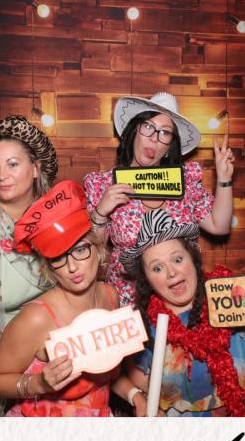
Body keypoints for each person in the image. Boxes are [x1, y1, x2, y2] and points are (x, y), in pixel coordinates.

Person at [0, 181, 140, 417]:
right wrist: (38, 384)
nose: (72, 267)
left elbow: (103, 373)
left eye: (80, 250)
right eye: (58, 257)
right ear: (49, 266)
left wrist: (135, 396)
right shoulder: (37, 318)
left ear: (98, 249)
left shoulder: (110, 297)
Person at [84, 92, 234, 306]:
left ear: (169, 146)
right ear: (134, 131)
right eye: (148, 127)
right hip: (129, 301)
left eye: (165, 132)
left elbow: (219, 226)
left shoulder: (184, 182)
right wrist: (100, 212)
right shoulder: (105, 184)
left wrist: (224, 179)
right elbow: (94, 250)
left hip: (178, 296)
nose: (154, 138)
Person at [122, 210, 245, 417]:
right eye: (157, 268)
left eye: (177, 259)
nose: (172, 272)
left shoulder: (231, 298)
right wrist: (141, 401)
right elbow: (136, 385)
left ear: (192, 257)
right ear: (146, 278)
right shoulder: (143, 328)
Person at [0, 115, 58, 415]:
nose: (1, 175)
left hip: (50, 355)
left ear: (35, 168)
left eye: (12, 164)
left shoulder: (57, 218)